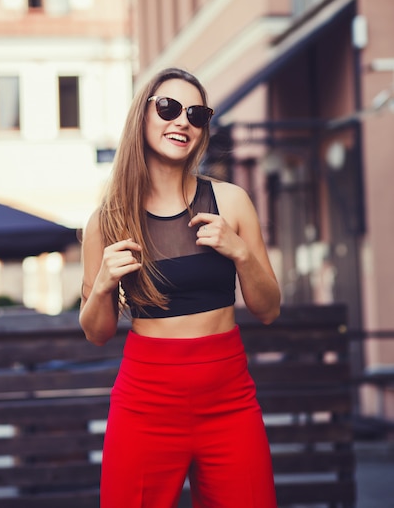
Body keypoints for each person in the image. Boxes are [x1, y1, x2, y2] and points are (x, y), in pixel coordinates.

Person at [80, 67, 281, 508]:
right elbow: (96, 333)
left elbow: (268, 309)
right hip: (146, 403)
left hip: (228, 399)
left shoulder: (231, 201)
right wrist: (101, 287)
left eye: (196, 113)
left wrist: (240, 253)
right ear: (143, 116)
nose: (182, 121)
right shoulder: (106, 220)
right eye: (169, 107)